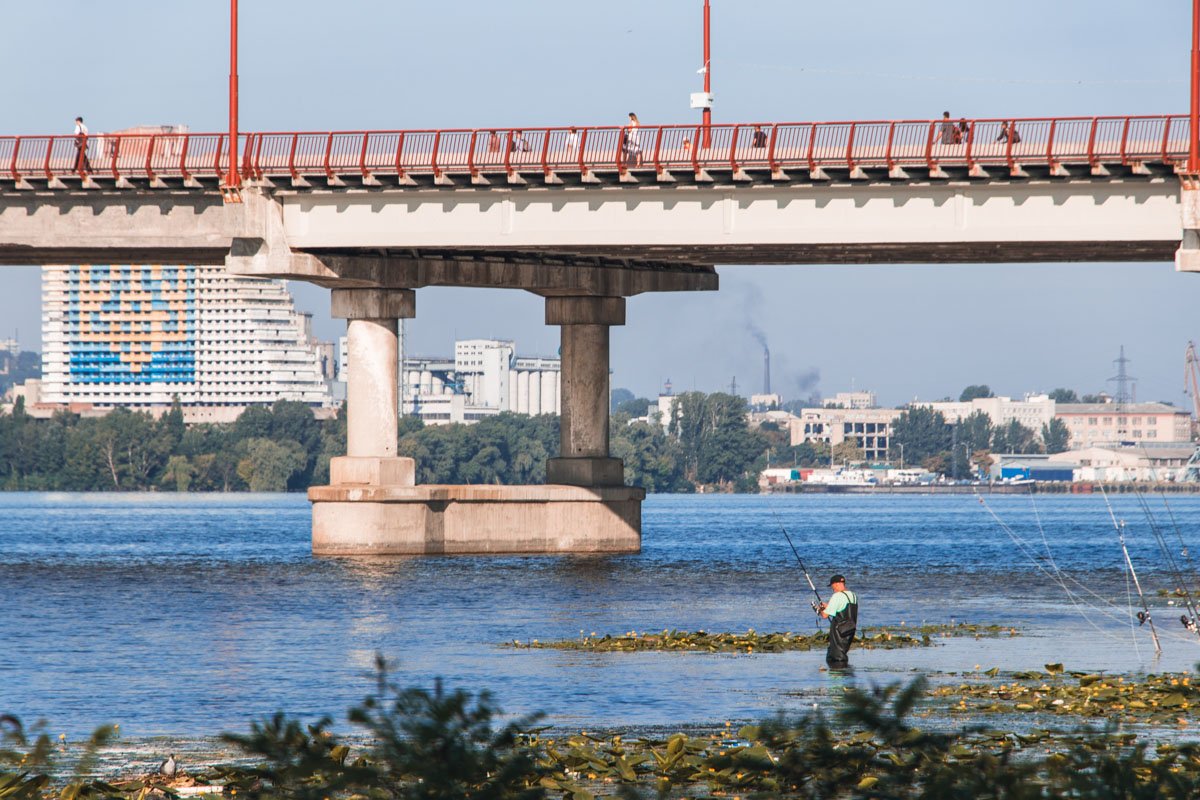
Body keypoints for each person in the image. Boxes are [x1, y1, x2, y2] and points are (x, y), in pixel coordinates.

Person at [818, 574, 858, 669]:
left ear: (836, 584)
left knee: (836, 656)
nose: (832, 588)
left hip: (838, 632)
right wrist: (828, 606)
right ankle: (846, 677)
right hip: (850, 630)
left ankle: (838, 677)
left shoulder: (837, 596)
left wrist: (819, 609)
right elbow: (842, 609)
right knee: (843, 652)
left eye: (832, 586)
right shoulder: (853, 595)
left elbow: (824, 615)